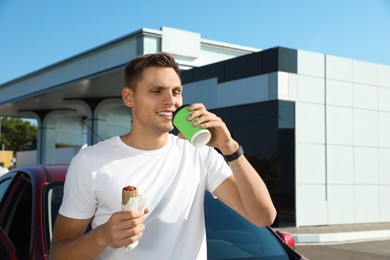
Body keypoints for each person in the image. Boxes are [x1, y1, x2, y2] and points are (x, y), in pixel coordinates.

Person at [50, 53, 276, 259]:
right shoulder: (91, 161)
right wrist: (102, 236)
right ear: (129, 98)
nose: (171, 101)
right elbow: (58, 254)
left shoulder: (199, 154)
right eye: (156, 91)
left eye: (176, 92)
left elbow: (263, 217)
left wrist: (229, 147)